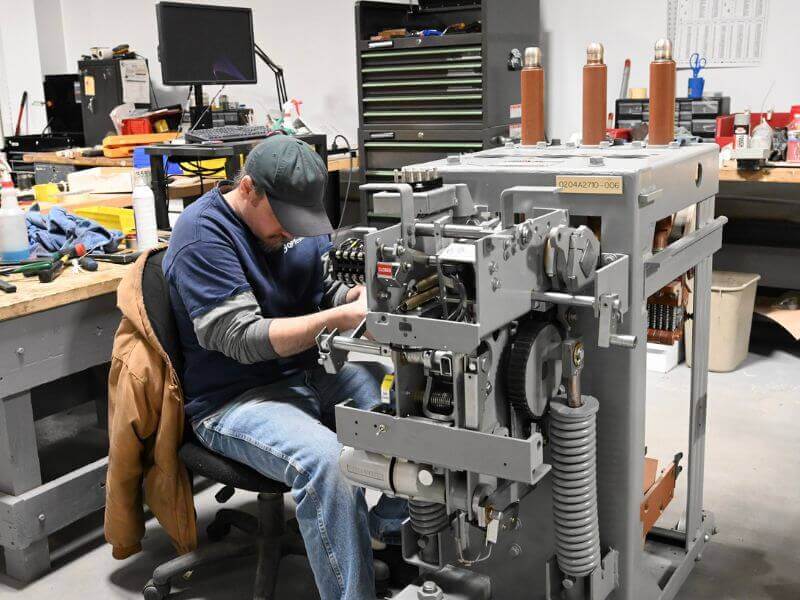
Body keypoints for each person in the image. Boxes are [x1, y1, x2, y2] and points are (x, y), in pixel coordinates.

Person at [163, 135, 403, 600]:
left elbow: (320, 289)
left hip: (303, 371)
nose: (293, 233)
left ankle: (384, 536)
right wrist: (336, 319)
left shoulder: (291, 229)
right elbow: (240, 338)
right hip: (233, 398)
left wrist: (350, 299)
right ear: (248, 189)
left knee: (406, 412)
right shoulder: (201, 235)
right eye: (285, 221)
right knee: (329, 464)